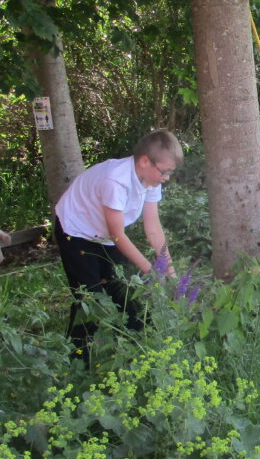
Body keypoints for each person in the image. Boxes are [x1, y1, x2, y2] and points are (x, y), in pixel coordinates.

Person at [54, 129, 182, 338]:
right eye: (164, 171)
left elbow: (153, 228)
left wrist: (170, 271)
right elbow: (118, 235)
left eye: (170, 172)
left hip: (105, 234)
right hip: (75, 232)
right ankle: (77, 360)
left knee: (129, 294)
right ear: (144, 161)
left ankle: (140, 349)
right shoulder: (116, 181)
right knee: (89, 301)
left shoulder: (151, 180)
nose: (166, 178)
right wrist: (150, 270)